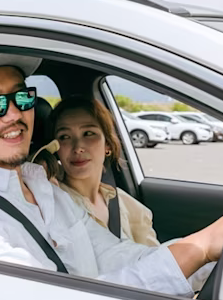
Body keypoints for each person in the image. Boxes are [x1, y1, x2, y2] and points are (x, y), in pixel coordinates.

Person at [0, 51, 223, 297]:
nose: (14, 114)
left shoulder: (39, 185)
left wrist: (210, 251)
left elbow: (114, 255)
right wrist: (199, 248)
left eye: (21, 97)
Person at [33, 96, 159, 247]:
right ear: (55, 148)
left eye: (88, 133)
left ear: (108, 145)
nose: (78, 147)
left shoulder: (129, 206)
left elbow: (157, 258)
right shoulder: (49, 202)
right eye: (64, 137)